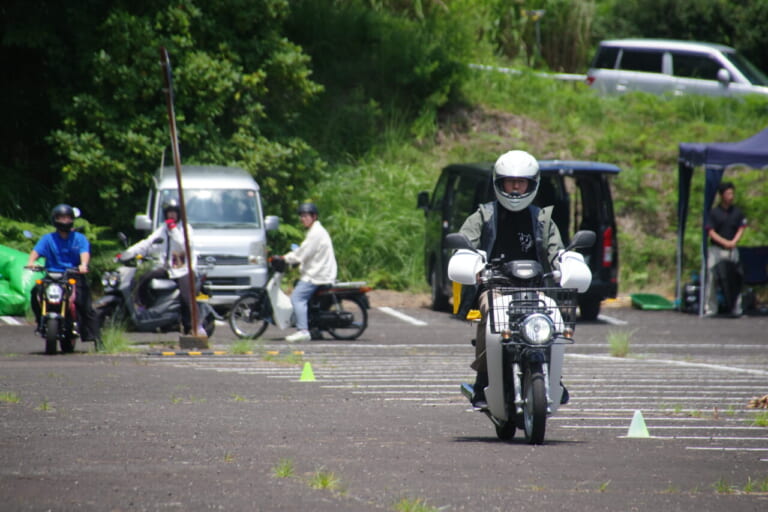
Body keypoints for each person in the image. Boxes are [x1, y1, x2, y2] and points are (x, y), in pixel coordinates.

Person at [458, 150, 565, 408]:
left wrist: (565, 263)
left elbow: (557, 251)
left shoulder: (543, 219)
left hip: (536, 288)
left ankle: (554, 376)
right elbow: (463, 243)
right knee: (492, 315)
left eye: (522, 182)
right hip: (496, 287)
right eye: (510, 182)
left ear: (532, 184)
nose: (516, 188)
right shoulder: (483, 215)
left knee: (557, 318)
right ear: (499, 183)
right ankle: (483, 379)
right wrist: (467, 260)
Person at [120, 199, 201, 335]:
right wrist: (127, 253)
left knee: (186, 297)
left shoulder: (186, 229)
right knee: (144, 278)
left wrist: (173, 229)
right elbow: (147, 243)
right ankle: (147, 310)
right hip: (168, 268)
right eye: (169, 213)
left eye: (174, 213)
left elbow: (182, 245)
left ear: (179, 214)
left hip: (184, 269)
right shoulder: (162, 229)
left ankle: (192, 326)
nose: (171, 216)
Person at [26, 204, 101, 344]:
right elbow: (36, 252)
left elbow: (84, 253)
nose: (65, 221)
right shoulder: (47, 239)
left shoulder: (79, 238)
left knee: (84, 304)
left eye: (67, 218)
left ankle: (97, 340)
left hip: (73, 274)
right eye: (61, 218)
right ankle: (40, 321)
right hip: (52, 274)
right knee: (36, 292)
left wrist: (83, 265)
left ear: (72, 220)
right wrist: (31, 262)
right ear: (55, 220)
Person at [281, 202, 338, 343]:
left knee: (297, 298)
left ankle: (303, 331)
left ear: (314, 216)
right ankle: (314, 329)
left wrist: (284, 258)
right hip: (319, 272)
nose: (303, 219)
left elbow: (302, 254)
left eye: (306, 216)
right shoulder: (315, 231)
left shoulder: (316, 233)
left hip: (317, 275)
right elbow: (305, 251)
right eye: (301, 216)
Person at [705, 182, 747, 317]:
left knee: (736, 278)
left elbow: (741, 227)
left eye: (732, 193)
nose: (731, 196)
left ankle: (736, 308)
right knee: (712, 277)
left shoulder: (737, 212)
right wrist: (724, 242)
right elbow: (710, 231)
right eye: (728, 193)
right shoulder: (714, 213)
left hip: (732, 249)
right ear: (722, 195)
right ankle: (711, 308)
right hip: (717, 249)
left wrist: (733, 242)